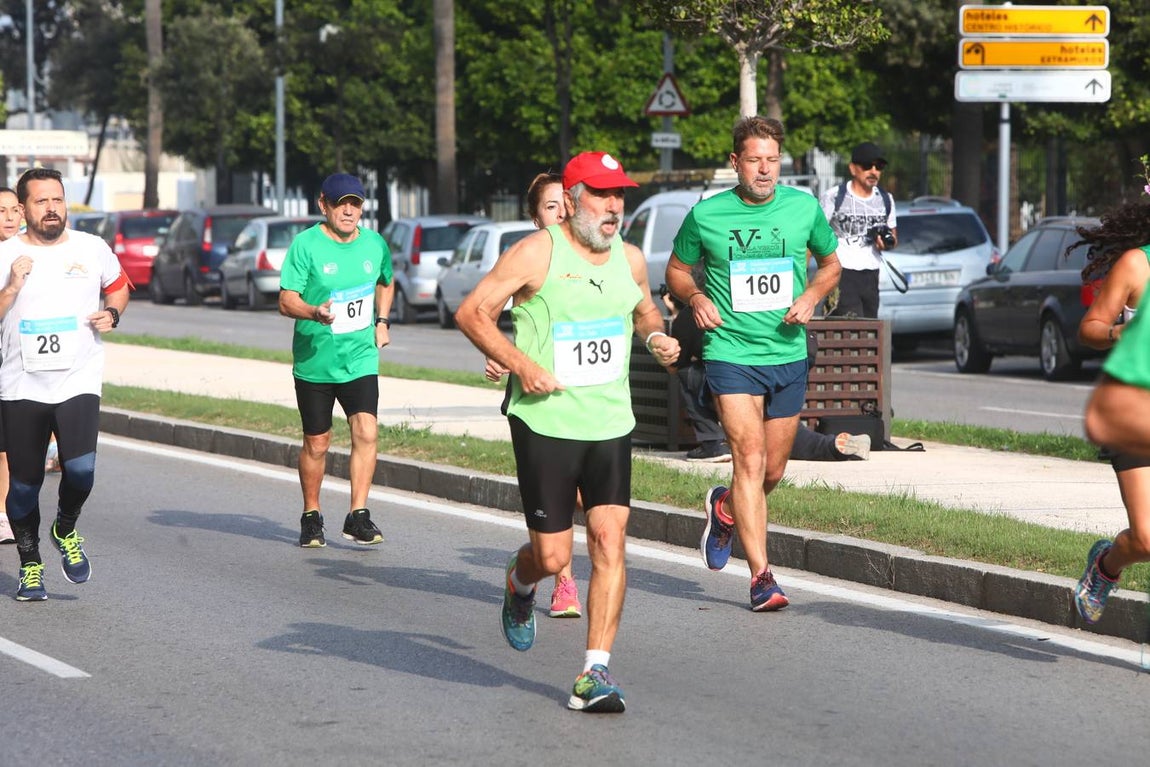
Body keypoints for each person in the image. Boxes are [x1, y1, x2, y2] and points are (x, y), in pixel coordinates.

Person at [456, 151, 679, 713]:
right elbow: (472, 312)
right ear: (574, 197)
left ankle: (593, 672)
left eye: (620, 195)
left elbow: (644, 311)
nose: (614, 207)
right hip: (546, 422)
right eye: (602, 195)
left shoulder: (628, 258)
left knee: (609, 540)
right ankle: (518, 583)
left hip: (609, 421)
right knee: (553, 558)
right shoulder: (536, 251)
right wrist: (521, 364)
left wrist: (654, 338)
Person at [665, 116, 841, 611]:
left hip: (786, 351)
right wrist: (696, 296)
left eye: (772, 160)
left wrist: (811, 296)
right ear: (735, 162)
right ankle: (762, 577)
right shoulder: (708, 215)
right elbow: (676, 271)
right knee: (749, 458)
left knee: (773, 471)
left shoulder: (803, 208)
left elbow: (831, 265)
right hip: (731, 353)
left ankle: (724, 509)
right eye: (754, 160)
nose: (764, 170)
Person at [0, 168, 130, 601]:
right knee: (23, 485)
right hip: (21, 386)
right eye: (41, 201)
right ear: (23, 209)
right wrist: (13, 286)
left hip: (78, 378)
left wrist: (112, 314)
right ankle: (30, 564)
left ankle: (65, 527)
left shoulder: (92, 248)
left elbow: (118, 287)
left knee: (81, 471)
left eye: (57, 199)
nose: (52, 208)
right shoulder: (5, 255)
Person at [486, 172, 584, 618]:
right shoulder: (526, 259)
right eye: (549, 206)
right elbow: (481, 312)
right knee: (560, 498)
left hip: (589, 398)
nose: (561, 212)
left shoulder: (592, 258)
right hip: (538, 402)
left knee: (586, 499)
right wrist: (498, 356)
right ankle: (562, 582)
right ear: (533, 216)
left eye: (565, 203)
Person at [278, 172, 394, 548]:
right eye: (341, 203)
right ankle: (311, 515)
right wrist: (313, 312)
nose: (348, 211)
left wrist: (382, 320)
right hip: (315, 360)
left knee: (367, 431)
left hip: (359, 357)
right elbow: (285, 300)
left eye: (355, 204)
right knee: (318, 442)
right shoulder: (306, 245)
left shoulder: (374, 244)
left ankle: (358, 514)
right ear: (323, 204)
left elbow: (386, 280)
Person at [665, 280, 869, 464]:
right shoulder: (765, 302)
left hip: (739, 385)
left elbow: (675, 365)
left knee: (687, 374)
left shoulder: (694, 315)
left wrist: (674, 315)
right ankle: (833, 446)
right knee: (781, 444)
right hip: (784, 373)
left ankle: (712, 443)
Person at [1071, 199, 1150, 623]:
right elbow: (1091, 328)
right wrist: (1120, 330)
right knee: (1147, 540)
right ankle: (1106, 565)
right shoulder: (1137, 265)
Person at [819, 141, 897, 319]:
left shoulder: (886, 199)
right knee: (850, 327)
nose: (874, 171)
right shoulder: (834, 196)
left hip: (871, 273)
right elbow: (815, 235)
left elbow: (893, 237)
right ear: (853, 169)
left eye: (879, 166)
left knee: (869, 328)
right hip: (841, 271)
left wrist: (885, 243)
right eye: (867, 165)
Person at [0, 186, 23, 544]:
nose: (9, 217)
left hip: (16, 358)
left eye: (13, 210)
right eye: (0, 210)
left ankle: (4, 513)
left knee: (5, 446)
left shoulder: (33, 253)